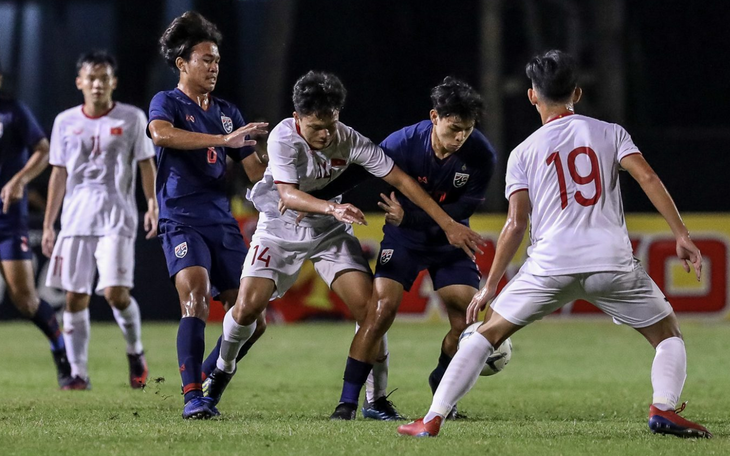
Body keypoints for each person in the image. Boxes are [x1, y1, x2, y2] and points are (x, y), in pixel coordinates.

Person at [397, 50, 712, 438]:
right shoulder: (610, 132)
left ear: (532, 96)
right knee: (667, 335)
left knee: (484, 333)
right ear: (576, 93)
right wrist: (682, 234)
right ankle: (663, 408)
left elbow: (515, 224)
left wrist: (490, 286)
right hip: (609, 262)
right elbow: (647, 178)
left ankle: (432, 418)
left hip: (549, 265)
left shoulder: (523, 152)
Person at [205, 71, 485, 420]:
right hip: (279, 231)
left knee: (372, 311)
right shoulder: (283, 136)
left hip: (328, 234)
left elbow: (400, 178)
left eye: (331, 124)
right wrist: (333, 207)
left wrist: (446, 223)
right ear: (297, 119)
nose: (325, 134)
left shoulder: (349, 139)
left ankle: (376, 399)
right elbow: (288, 195)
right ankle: (221, 370)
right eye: (316, 127)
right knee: (247, 308)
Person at [147, 11, 269, 420]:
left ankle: (204, 380)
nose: (214, 67)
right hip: (181, 217)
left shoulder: (228, 112)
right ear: (182, 64)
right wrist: (222, 139)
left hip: (221, 221)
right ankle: (192, 396)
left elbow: (256, 174)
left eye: (217, 60)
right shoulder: (167, 102)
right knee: (195, 300)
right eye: (205, 59)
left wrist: (279, 149)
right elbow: (161, 135)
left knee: (253, 319)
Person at [42, 50, 157, 391]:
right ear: (80, 82)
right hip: (76, 219)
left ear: (113, 82)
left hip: (117, 216)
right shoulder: (64, 121)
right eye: (91, 78)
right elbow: (58, 174)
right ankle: (78, 373)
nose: (97, 84)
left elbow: (146, 164)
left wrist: (151, 204)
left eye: (103, 78)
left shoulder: (132, 118)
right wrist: (48, 224)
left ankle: (135, 352)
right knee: (74, 298)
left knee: (115, 294)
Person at [0, 60, 72, 387]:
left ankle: (60, 350)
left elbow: (43, 150)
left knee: (25, 300)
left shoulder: (13, 111)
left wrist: (19, 180)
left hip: (7, 221)